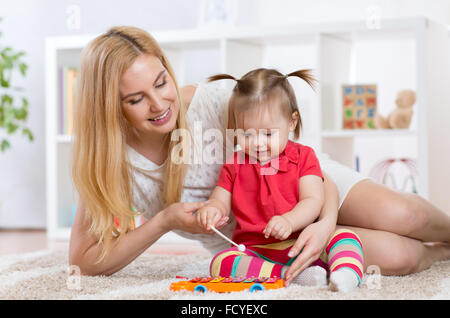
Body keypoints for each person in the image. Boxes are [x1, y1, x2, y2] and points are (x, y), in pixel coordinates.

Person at [69, 26, 450, 283]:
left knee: (406, 215)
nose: (159, 104)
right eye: (136, 99)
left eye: (161, 82)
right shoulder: (109, 163)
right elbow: (82, 260)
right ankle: (438, 256)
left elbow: (307, 168)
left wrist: (324, 224)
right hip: (260, 240)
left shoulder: (215, 103)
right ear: (108, 108)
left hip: (308, 189)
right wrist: (163, 221)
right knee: (398, 255)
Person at [196, 68, 364, 292]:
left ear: (291, 122)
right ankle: (287, 276)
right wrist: (213, 209)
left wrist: (289, 221)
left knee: (346, 237)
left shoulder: (304, 157)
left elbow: (313, 200)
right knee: (221, 262)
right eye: (246, 134)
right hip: (256, 252)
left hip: (302, 243)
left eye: (267, 134)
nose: (257, 143)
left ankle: (345, 274)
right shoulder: (235, 163)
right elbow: (220, 197)